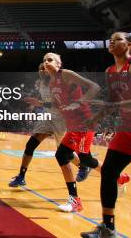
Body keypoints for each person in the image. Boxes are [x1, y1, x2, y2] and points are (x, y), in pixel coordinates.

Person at [81, 32, 131, 238]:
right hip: (129, 129)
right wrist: (94, 119)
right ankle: (107, 228)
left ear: (129, 44)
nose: (112, 41)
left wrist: (114, 104)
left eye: (118, 39)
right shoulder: (111, 70)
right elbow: (111, 100)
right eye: (110, 39)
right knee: (109, 171)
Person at [41, 53, 108, 213]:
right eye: (44, 60)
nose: (46, 62)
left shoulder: (66, 74)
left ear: (59, 64)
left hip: (84, 123)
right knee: (64, 155)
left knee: (83, 158)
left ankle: (113, 178)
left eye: (50, 59)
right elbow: (61, 106)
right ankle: (76, 199)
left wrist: (78, 102)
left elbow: (94, 87)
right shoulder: (51, 83)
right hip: (72, 126)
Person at [9, 63, 89, 187]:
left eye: (44, 69)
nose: (42, 71)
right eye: (40, 69)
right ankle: (21, 176)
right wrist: (33, 105)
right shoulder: (41, 83)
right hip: (47, 118)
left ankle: (83, 166)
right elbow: (44, 100)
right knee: (30, 145)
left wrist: (39, 103)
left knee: (64, 152)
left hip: (61, 120)